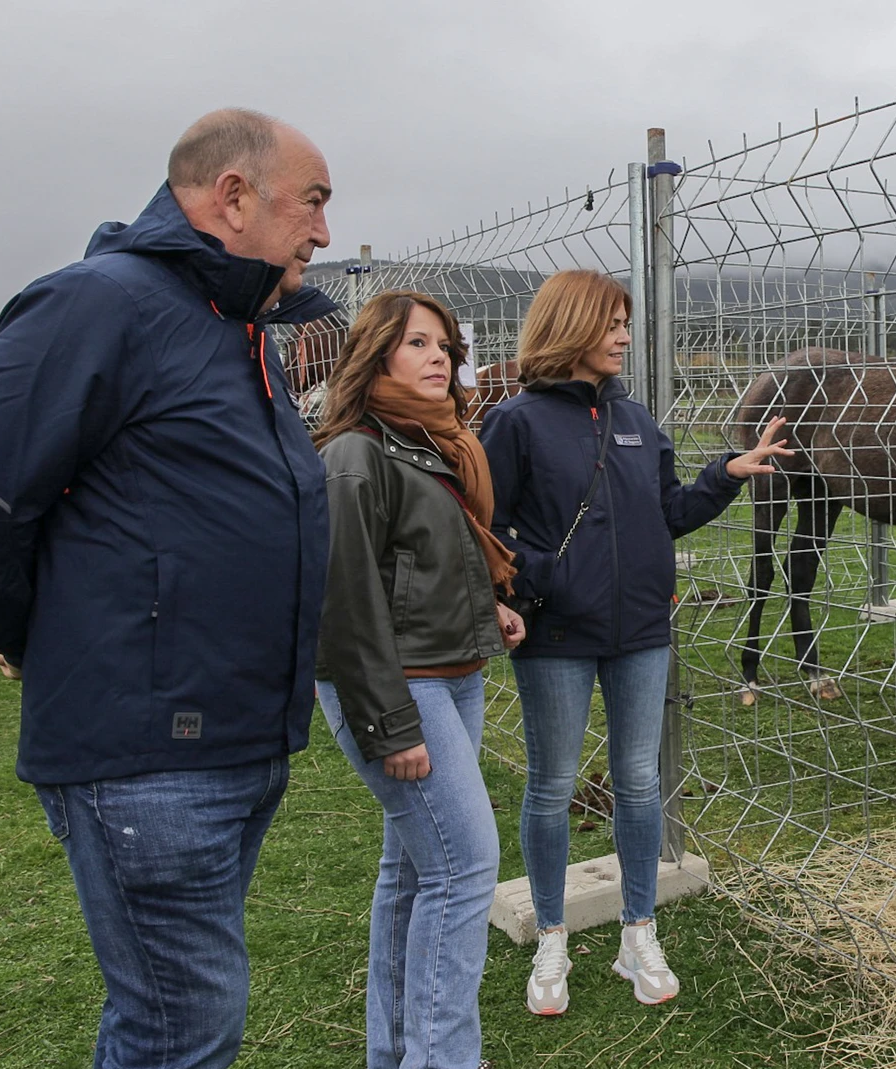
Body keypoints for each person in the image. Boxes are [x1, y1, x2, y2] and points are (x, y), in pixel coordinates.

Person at [0, 107, 335, 1069]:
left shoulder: (235, 331)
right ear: (232, 196)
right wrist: (35, 633)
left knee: (186, 1016)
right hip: (151, 752)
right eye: (312, 202)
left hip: (232, 739)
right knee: (180, 1027)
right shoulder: (98, 306)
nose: (322, 233)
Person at [480, 269, 792, 1015]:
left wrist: (726, 474)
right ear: (571, 325)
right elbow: (484, 528)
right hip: (556, 633)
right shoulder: (517, 422)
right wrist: (543, 579)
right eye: (611, 322)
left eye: (626, 322)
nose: (625, 334)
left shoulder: (639, 420)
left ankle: (637, 932)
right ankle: (553, 935)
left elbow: (667, 512)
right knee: (553, 786)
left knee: (642, 783)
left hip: (642, 631)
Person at [313, 289, 528, 1068]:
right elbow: (346, 600)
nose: (440, 356)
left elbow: (423, 563)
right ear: (376, 356)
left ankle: (397, 1051)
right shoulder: (355, 452)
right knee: (466, 866)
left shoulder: (432, 442)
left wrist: (489, 610)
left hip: (451, 671)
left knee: (413, 871)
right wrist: (391, 720)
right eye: (417, 344)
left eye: (444, 344)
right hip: (398, 686)